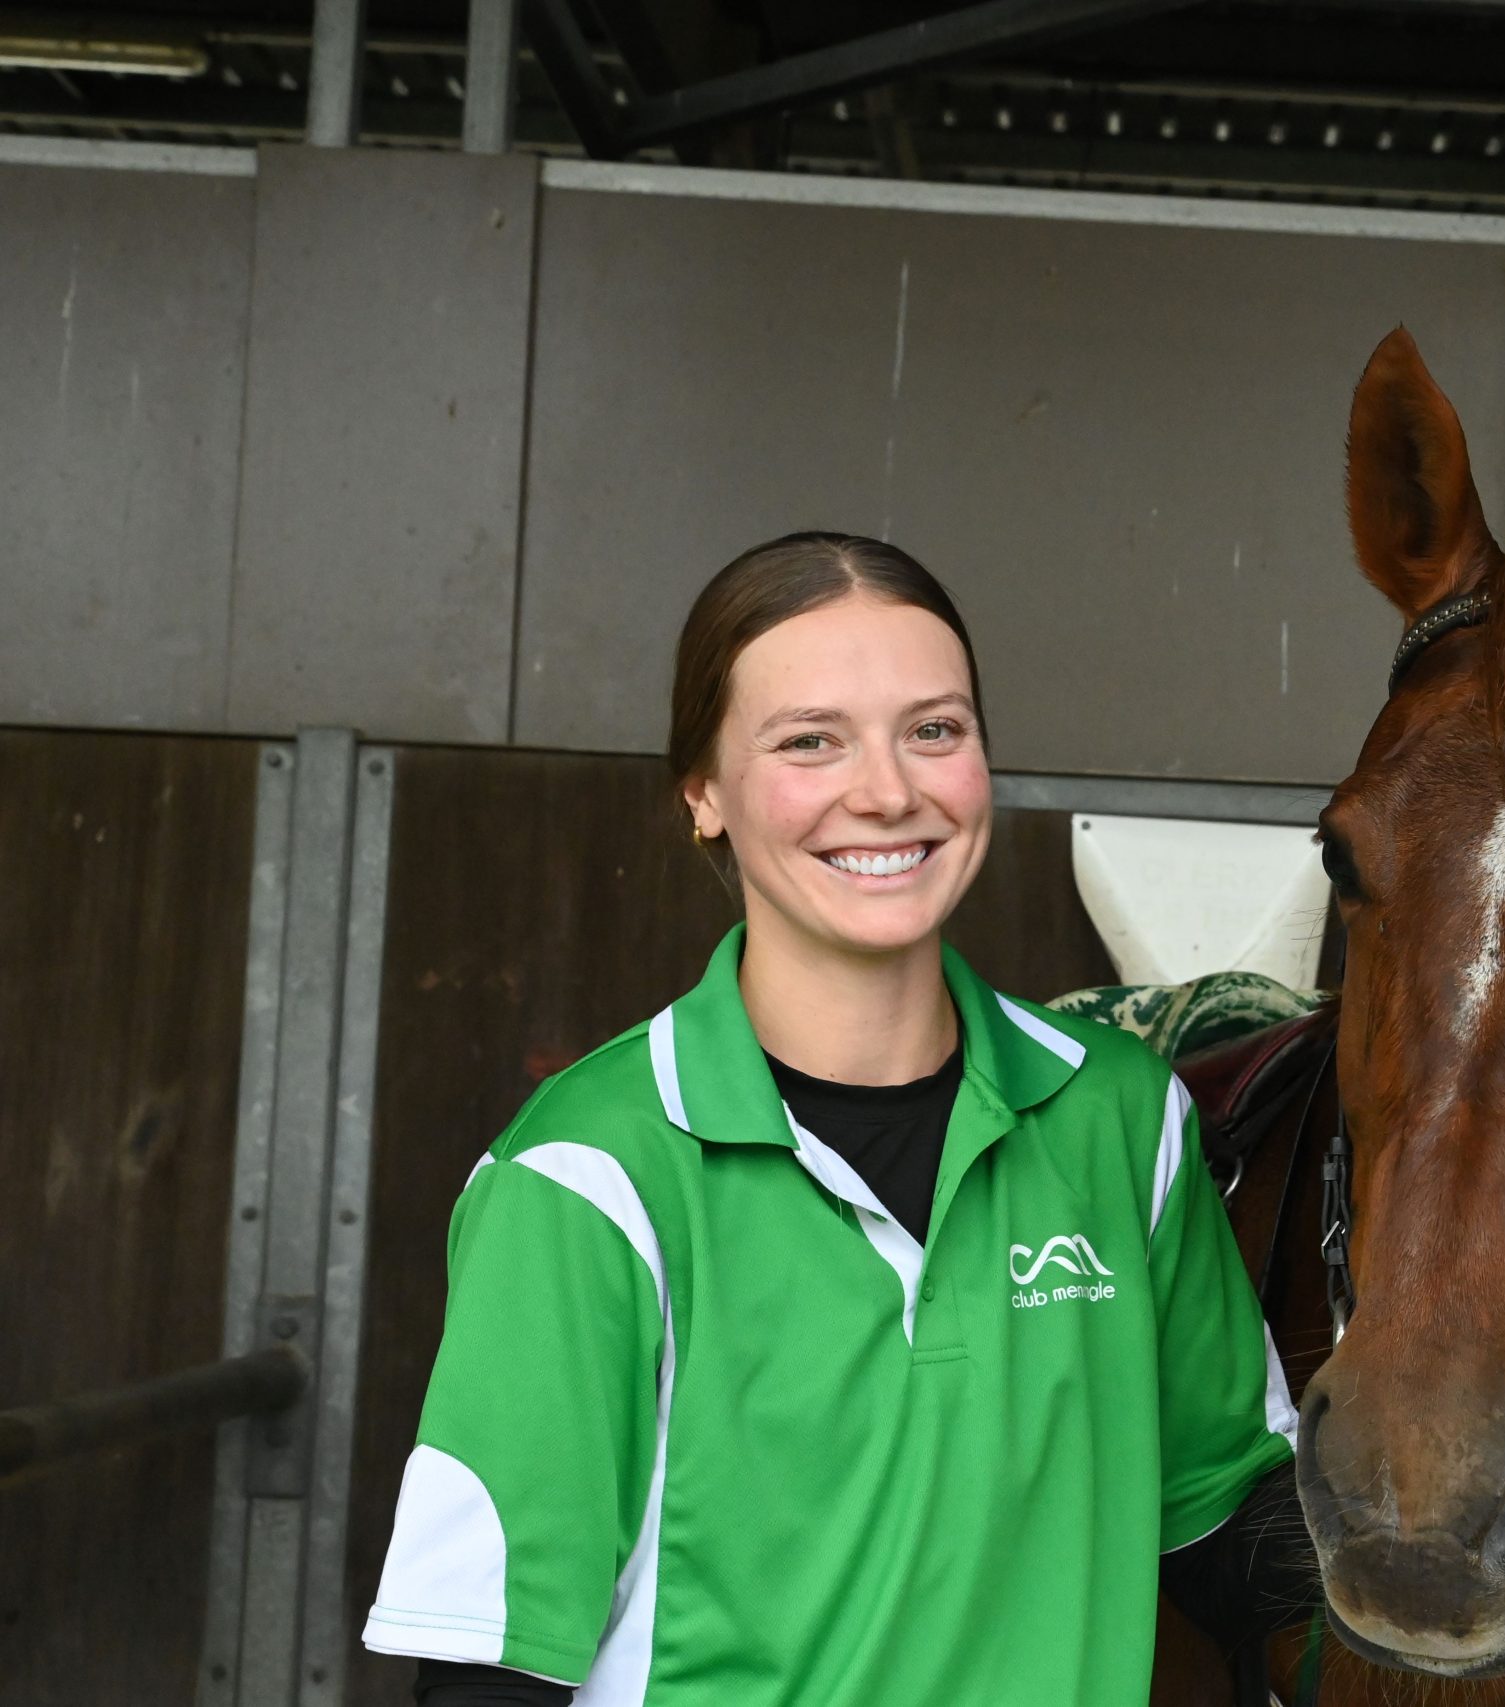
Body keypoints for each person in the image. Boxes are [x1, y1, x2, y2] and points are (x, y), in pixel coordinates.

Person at [362, 533, 1314, 1706]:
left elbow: (1233, 1546)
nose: (888, 790)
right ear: (702, 794)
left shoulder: (1120, 1123)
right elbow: (487, 1675)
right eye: (811, 740)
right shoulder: (586, 1175)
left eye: (934, 730)